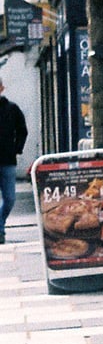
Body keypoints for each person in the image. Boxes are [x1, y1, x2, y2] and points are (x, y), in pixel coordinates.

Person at [0, 79, 28, 244]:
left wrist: (16, 148)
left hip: (7, 161)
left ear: (2, 88)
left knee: (10, 198)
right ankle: (0, 230)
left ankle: (0, 223)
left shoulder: (12, 109)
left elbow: (22, 130)